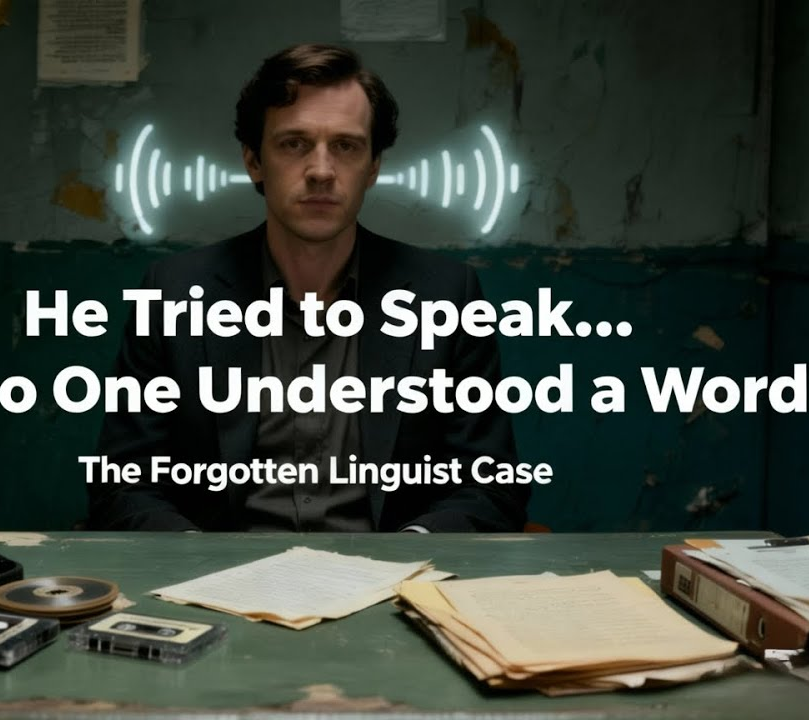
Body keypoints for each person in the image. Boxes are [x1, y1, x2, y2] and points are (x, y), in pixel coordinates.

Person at [86, 43, 526, 532]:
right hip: (217, 572)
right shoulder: (173, 293)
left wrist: (410, 554)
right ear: (254, 161)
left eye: (346, 146)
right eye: (294, 144)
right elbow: (120, 483)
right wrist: (195, 556)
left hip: (394, 570)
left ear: (373, 166)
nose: (320, 171)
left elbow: (493, 485)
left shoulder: (446, 295)